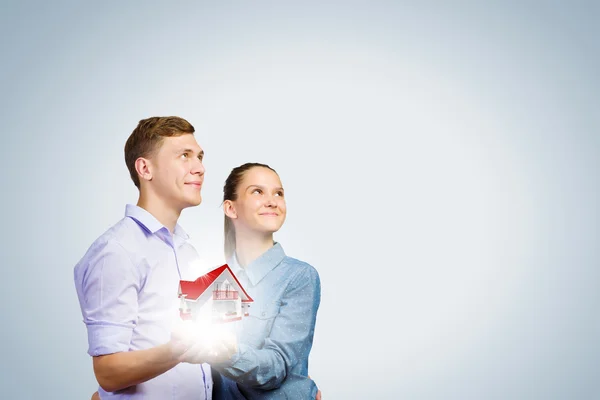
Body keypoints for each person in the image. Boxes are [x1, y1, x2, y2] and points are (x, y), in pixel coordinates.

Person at [74, 116, 235, 399]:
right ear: (145, 168)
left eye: (199, 157)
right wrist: (178, 351)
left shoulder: (187, 252)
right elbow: (108, 373)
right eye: (184, 156)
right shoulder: (117, 251)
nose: (199, 168)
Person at [209, 162, 322, 399]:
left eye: (278, 193)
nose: (272, 201)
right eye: (257, 191)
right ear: (231, 208)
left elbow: (277, 366)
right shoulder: (212, 280)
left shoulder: (300, 277)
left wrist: (228, 354)